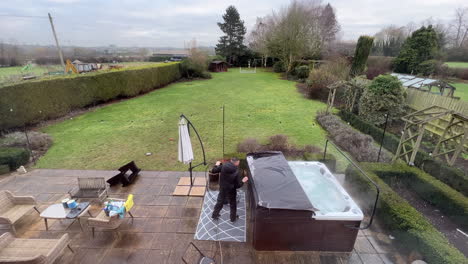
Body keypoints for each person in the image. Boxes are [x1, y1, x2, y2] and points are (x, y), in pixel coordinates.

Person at [211, 157, 248, 222]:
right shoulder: (237, 172)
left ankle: (215, 215)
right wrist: (243, 181)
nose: (239, 164)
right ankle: (233, 218)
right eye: (238, 162)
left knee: (220, 201)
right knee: (233, 204)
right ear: (236, 163)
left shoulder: (224, 166)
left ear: (231, 161)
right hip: (231, 190)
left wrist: (217, 165)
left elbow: (213, 170)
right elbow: (238, 185)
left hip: (223, 188)